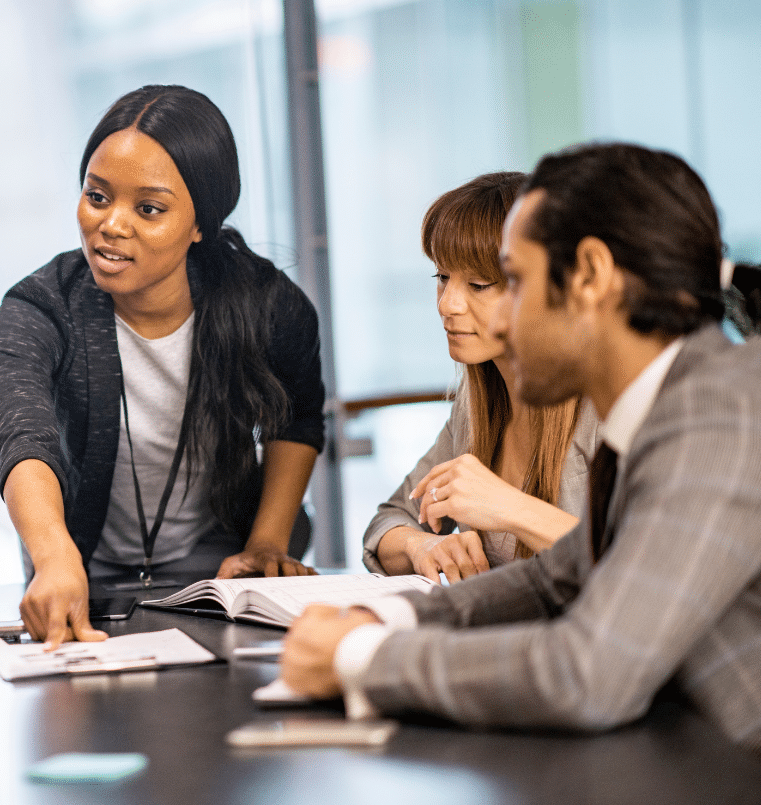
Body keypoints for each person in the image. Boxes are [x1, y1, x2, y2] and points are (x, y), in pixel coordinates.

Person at [280, 142, 761, 754]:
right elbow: (553, 581)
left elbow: (587, 674)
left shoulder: (719, 416)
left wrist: (360, 658)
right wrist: (385, 619)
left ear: (588, 276)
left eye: (513, 281)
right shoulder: (665, 407)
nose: (501, 321)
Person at [0, 85, 325, 646]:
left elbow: (299, 418)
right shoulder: (41, 307)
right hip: (82, 567)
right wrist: (53, 555)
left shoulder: (268, 304)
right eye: (98, 197)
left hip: (221, 569)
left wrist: (267, 543)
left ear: (200, 223)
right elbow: (24, 434)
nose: (112, 225)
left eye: (149, 209)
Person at [363, 172, 599, 583]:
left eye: (478, 283)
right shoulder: (475, 405)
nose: (447, 304)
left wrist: (508, 507)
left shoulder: (603, 406)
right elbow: (390, 521)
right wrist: (423, 545)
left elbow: (645, 567)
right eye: (442, 277)